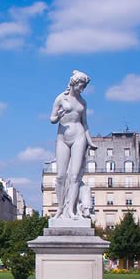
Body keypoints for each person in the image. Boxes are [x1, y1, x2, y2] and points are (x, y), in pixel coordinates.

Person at [50, 70, 96, 219]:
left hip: (79, 136)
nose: (82, 89)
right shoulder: (60, 98)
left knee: (75, 176)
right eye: (81, 86)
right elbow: (51, 119)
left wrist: (90, 141)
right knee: (60, 176)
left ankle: (71, 210)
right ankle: (59, 208)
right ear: (73, 83)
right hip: (63, 138)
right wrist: (58, 116)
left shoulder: (83, 102)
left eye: (84, 87)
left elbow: (85, 123)